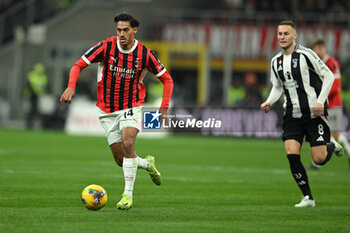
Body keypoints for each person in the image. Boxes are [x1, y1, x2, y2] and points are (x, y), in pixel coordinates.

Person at [60, 13, 174, 210]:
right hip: (106, 110)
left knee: (128, 141)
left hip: (132, 106)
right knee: (122, 160)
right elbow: (78, 65)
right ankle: (147, 164)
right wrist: (71, 86)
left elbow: (167, 79)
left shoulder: (145, 54)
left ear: (134, 30)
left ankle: (127, 195)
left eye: (125, 30)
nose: (121, 34)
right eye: (119, 30)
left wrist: (163, 107)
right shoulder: (106, 47)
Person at [260, 20, 343, 208]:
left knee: (319, 158)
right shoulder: (276, 61)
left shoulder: (307, 55)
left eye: (286, 34)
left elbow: (329, 76)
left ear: (294, 35)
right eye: (280, 34)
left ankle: (330, 145)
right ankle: (308, 197)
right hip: (292, 114)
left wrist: (321, 100)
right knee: (291, 152)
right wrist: (269, 101)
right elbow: (277, 86)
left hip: (314, 112)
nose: (282, 37)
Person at [308, 39, 350, 170]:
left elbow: (336, 84)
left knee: (334, 135)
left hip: (333, 105)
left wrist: (320, 96)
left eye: (321, 47)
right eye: (316, 48)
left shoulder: (332, 63)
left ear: (324, 48)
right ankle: (316, 163)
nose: (319, 50)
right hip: (322, 106)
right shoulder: (315, 64)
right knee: (323, 133)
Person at [25, 63, 48, 129]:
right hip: (31, 95)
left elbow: (45, 86)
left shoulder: (43, 77)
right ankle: (29, 124)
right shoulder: (31, 75)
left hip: (39, 95)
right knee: (32, 109)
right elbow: (29, 86)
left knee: (36, 109)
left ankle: (33, 124)